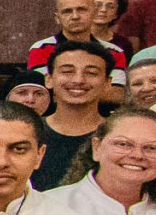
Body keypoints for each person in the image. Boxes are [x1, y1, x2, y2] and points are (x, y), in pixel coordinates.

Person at [34, 41, 116, 189]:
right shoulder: (28, 131)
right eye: (67, 71)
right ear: (49, 79)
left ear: (107, 83)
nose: (78, 80)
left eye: (91, 73)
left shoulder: (118, 135)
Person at [28, 0, 130, 84]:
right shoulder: (41, 48)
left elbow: (116, 93)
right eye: (67, 11)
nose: (75, 16)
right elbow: (42, 89)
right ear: (57, 18)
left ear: (94, 13)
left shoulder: (114, 51)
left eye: (81, 10)